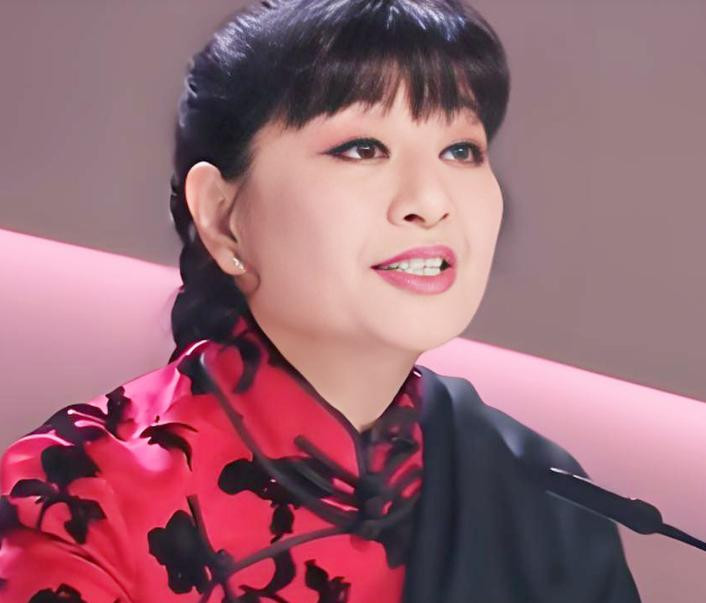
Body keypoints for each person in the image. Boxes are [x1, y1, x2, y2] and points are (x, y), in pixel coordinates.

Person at [0, 0, 641, 601]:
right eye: (363, 149)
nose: (430, 200)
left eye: (461, 150)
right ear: (221, 217)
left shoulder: (542, 494)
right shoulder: (78, 498)